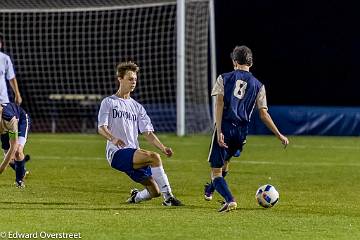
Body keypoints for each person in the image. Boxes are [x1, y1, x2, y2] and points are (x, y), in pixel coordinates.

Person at [205, 45, 289, 212]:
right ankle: (211, 189)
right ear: (251, 62)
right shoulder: (259, 85)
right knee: (226, 161)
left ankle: (230, 200)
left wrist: (219, 129)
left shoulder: (224, 78)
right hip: (242, 131)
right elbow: (264, 114)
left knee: (216, 172)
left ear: (235, 61)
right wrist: (279, 135)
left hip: (226, 125)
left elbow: (219, 103)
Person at [98, 61, 183, 206]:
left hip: (133, 153)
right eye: (130, 79)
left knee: (154, 191)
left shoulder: (137, 107)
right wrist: (113, 138)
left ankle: (136, 196)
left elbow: (148, 133)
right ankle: (169, 198)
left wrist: (163, 148)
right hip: (117, 153)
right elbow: (101, 127)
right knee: (154, 158)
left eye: (135, 79)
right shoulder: (109, 102)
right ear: (120, 78)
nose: (133, 82)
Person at [0, 33, 30, 174]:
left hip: (4, 103)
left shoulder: (5, 59)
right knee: (8, 149)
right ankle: (20, 168)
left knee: (10, 147)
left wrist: (17, 93)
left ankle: (19, 168)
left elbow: (11, 77)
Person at [0, 102, 31, 188]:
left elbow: (13, 146)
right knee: (9, 158)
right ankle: (22, 170)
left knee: (17, 151)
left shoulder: (10, 119)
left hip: (21, 121)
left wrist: (1, 169)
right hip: (5, 129)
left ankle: (19, 181)